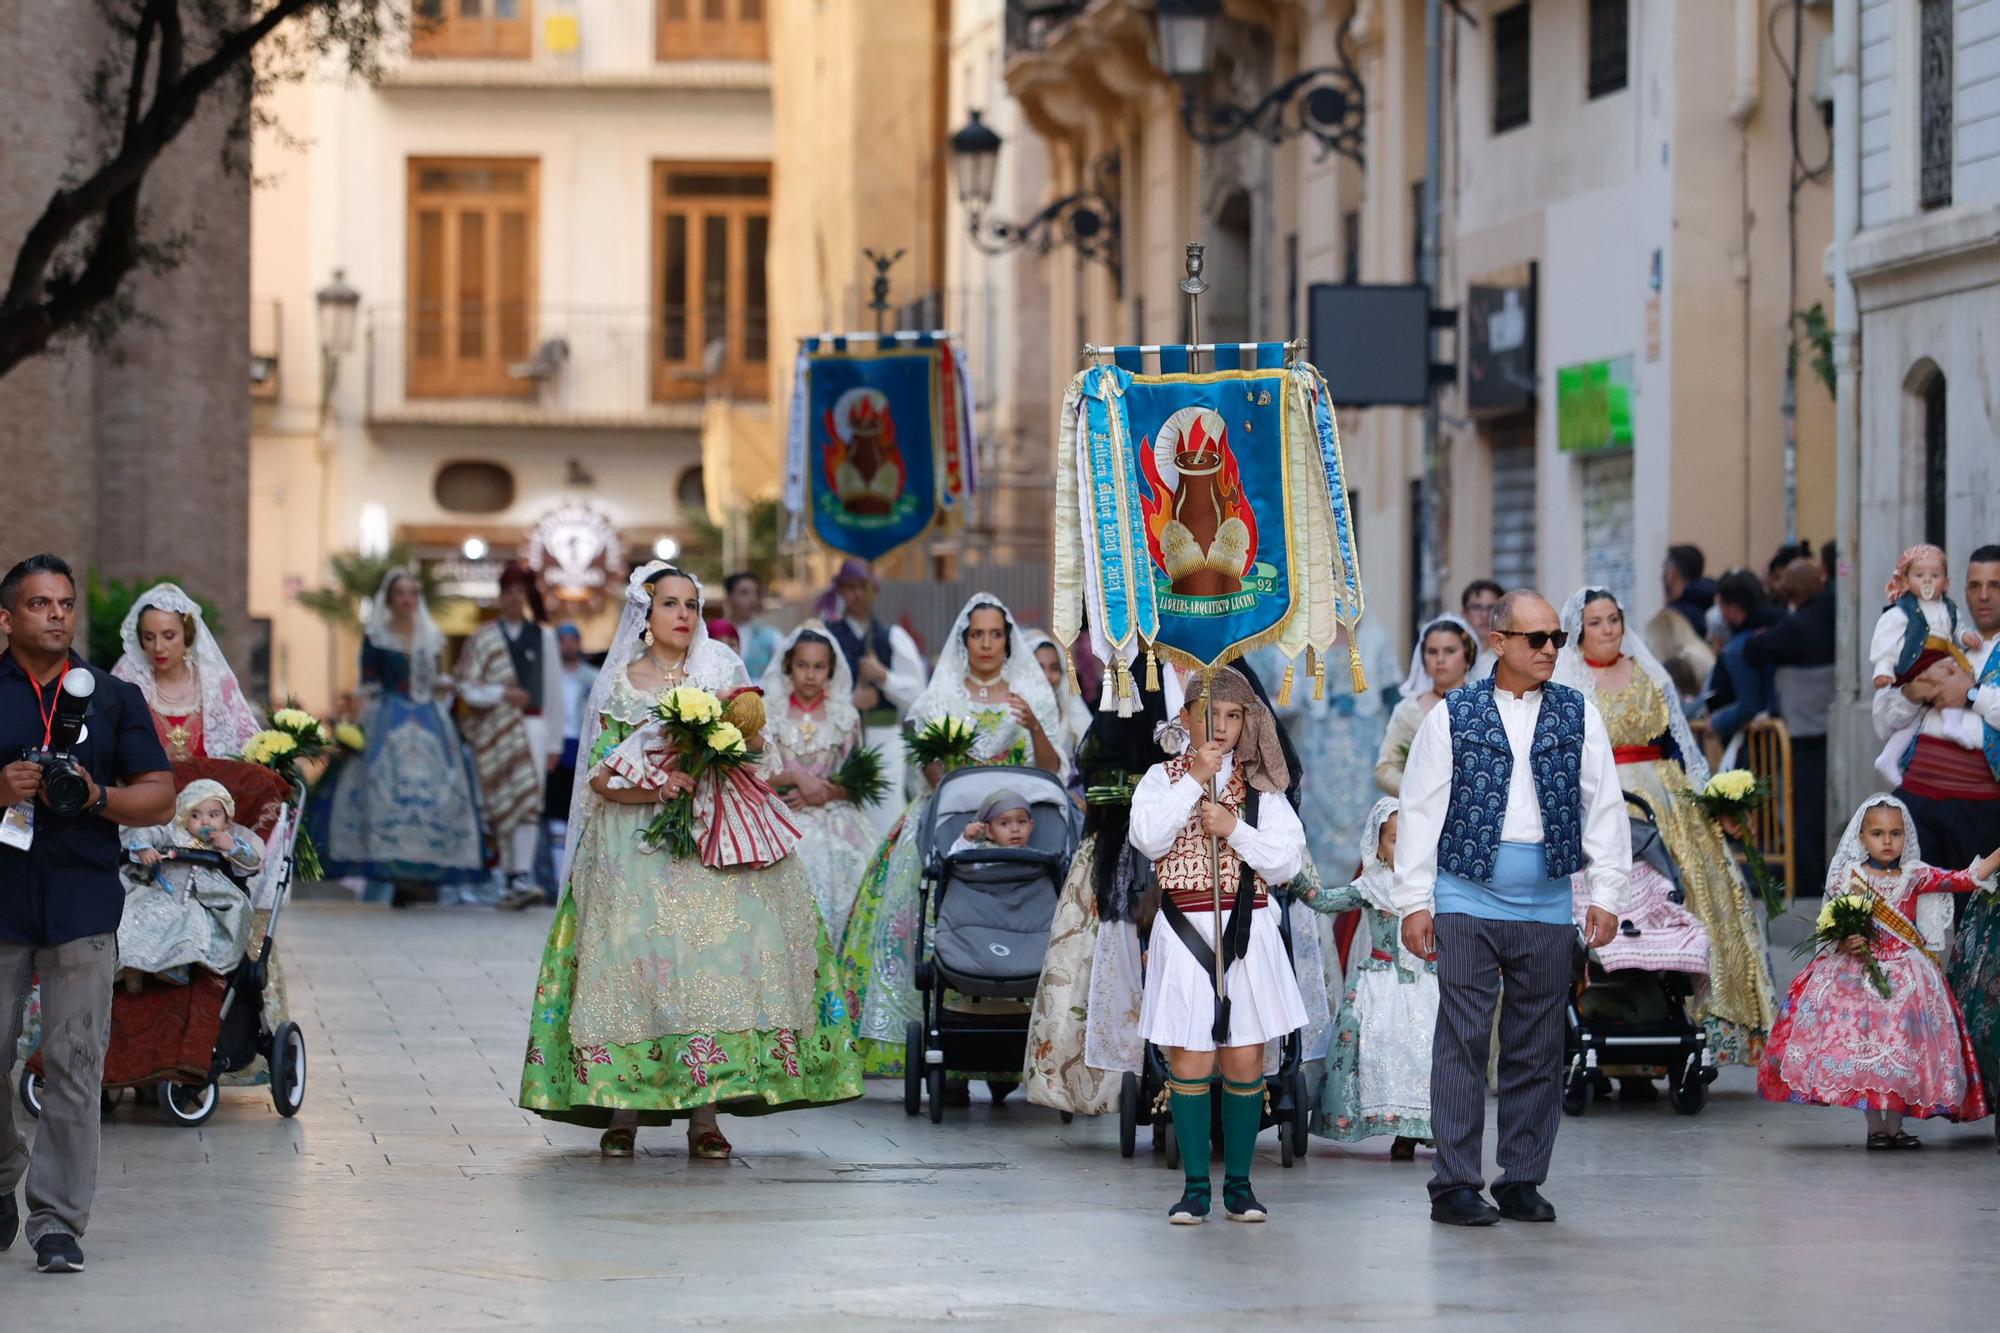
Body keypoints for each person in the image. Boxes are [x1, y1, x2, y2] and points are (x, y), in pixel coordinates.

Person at [517, 563, 861, 1157]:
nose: (683, 615)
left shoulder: (720, 669)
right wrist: (658, 787)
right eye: (671, 604)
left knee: (715, 968)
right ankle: (622, 1107)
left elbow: (758, 747)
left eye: (692, 605)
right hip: (634, 846)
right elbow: (599, 777)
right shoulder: (622, 684)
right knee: (634, 968)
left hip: (712, 839)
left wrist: (719, 755)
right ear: (644, 616)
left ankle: (706, 1116)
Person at [1393, 589, 1630, 1227]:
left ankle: (1521, 1178)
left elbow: (1603, 805)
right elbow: (1419, 810)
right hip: (1466, 894)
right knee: (1464, 1040)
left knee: (1536, 1044)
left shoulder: (1578, 713)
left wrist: (1607, 892)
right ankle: (1454, 1184)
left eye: (1557, 636)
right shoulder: (1453, 715)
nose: (1553, 648)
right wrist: (1415, 902)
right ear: (1500, 644)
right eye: (1538, 639)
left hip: (1548, 903)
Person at [0, 553, 176, 1274]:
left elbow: (160, 794)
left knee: (75, 1063)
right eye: (41, 604)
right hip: (1, 899)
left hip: (82, 902)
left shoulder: (112, 697)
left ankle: (58, 1219)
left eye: (66, 603)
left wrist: (96, 796)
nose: (58, 615)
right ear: (7, 618)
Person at [839, 592, 1064, 1080]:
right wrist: (950, 783)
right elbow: (929, 768)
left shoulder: (1030, 696)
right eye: (977, 635)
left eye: (996, 634)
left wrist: (1035, 728)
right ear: (964, 641)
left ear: (1008, 641)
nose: (987, 644)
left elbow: (1050, 772)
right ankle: (946, 1047)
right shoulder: (941, 698)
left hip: (1014, 837)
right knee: (927, 910)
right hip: (951, 826)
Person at [1555, 586, 1777, 1064]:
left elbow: (1681, 743)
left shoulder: (1648, 671)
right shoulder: (1567, 683)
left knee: (1696, 898)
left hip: (1668, 800)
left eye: (1613, 619)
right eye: (1595, 622)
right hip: (1602, 799)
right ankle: (1611, 1021)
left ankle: (1696, 1028)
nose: (1607, 629)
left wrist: (1712, 799)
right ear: (1578, 630)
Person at [1132, 666, 1308, 1225]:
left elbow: (1285, 863)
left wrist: (1234, 829)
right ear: (1185, 718)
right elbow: (1149, 837)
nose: (1224, 727)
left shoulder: (1262, 789)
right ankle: (1193, 1188)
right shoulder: (1160, 779)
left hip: (1246, 928)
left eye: (1235, 716)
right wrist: (1192, 781)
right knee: (1189, 1054)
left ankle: (1238, 1184)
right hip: (1184, 927)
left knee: (1244, 1057)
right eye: (1213, 714)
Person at [1758, 794, 1996, 1146]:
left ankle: (1895, 1125)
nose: (1888, 841)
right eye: (1878, 833)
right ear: (1862, 838)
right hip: (1858, 976)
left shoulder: (1915, 875)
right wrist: (1843, 942)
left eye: (1896, 834)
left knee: (1903, 1047)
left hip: (1909, 977)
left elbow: (1964, 878)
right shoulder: (1848, 878)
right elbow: (1830, 926)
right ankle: (1874, 1128)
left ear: (1906, 837)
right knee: (1866, 1049)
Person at [1876, 544, 2000, 1145]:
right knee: (1920, 944)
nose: (1982, 595)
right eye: (1974, 584)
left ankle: (1978, 1077)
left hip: (1988, 817)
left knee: (1982, 951)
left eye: (1994, 585)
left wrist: (1970, 694)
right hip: (1924, 811)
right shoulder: (1931, 633)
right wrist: (1919, 691)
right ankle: (1921, 1082)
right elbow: (1883, 715)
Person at [320, 569, 486, 908]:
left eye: (412, 593)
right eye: (401, 593)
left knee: (437, 793)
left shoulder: (431, 635)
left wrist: (446, 688)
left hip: (429, 719)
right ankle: (393, 873)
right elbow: (367, 684)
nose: (407, 599)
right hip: (388, 716)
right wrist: (355, 727)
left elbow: (436, 681)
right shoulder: (377, 635)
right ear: (390, 598)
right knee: (384, 791)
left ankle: (420, 877)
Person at [1305, 797, 1437, 1160]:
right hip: (1380, 982)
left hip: (1426, 983)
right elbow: (1324, 901)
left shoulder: (1433, 885)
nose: (1404, 846)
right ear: (1378, 848)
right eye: (1395, 839)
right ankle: (1376, 1120)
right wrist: (1295, 877)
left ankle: (1416, 1131)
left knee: (1428, 1048)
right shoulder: (1371, 885)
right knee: (1362, 1036)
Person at [760, 623, 879, 938]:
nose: (810, 674)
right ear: (788, 666)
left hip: (834, 815)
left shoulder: (845, 716)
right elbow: (755, 772)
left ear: (830, 670)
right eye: (802, 665)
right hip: (780, 811)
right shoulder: (769, 713)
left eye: (818, 667)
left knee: (847, 867)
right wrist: (795, 777)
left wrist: (823, 794)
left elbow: (859, 779)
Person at [457, 563, 564, 911]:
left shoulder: (543, 637)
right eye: (508, 591)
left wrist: (553, 744)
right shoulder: (483, 637)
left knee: (529, 803)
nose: (514, 598)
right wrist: (500, 694)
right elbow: (467, 686)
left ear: (527, 596)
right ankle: (503, 877)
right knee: (499, 801)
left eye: (520, 591)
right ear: (500, 596)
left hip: (533, 728)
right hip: (494, 733)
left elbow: (553, 693)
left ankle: (520, 875)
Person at [1745, 557, 1836, 895]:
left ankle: (1806, 882)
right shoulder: (1829, 619)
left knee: (1804, 814)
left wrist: (1763, 635)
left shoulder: (1799, 625)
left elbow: (1754, 650)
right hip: (1824, 728)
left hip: (1803, 732)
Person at [116, 779, 259, 982]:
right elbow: (148, 832)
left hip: (198, 902)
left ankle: (175, 968)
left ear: (226, 820)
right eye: (195, 815)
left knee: (190, 927)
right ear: (184, 816)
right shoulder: (174, 834)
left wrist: (233, 848)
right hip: (162, 894)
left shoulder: (225, 842)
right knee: (140, 918)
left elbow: (251, 863)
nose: (205, 822)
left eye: (213, 815)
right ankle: (133, 966)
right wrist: (144, 848)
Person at [827, 561, 928, 837]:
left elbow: (919, 695)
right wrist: (850, 701)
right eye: (850, 588)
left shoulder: (891, 637)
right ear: (841, 591)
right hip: (838, 740)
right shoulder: (827, 636)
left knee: (885, 811)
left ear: (874, 591)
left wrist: (884, 677)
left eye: (863, 587)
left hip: (884, 737)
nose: (857, 595)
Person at [110, 583, 262, 762]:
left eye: (169, 636)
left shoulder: (216, 685)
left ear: (187, 634)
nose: (158, 647)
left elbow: (247, 746)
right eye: (149, 638)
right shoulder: (128, 683)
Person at [1376, 616, 1478, 796]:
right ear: (1423, 658)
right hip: (1422, 811)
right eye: (1432, 651)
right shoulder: (1408, 710)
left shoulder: (1485, 707)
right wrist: (1419, 792)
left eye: (1450, 651)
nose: (1440, 659)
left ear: (1467, 656)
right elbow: (1385, 768)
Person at [543, 623, 598, 901]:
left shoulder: (593, 677)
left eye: (571, 640)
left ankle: (576, 880)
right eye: (562, 640)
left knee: (579, 814)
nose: (567, 645)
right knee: (555, 816)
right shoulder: (547, 677)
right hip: (554, 746)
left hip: (582, 747)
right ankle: (555, 880)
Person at [1707, 570, 1778, 748]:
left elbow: (1748, 705)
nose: (1721, 615)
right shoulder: (1779, 630)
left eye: (1721, 607)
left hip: (1753, 743)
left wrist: (1717, 721)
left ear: (1733, 608)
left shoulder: (1739, 649)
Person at [1027, 629, 1094, 763]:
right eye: (1039, 668)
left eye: (1054, 668)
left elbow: (1090, 751)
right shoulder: (1015, 709)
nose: (1047, 676)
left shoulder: (1069, 709)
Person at [724, 571, 783, 681]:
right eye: (744, 593)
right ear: (729, 597)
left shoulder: (772, 637)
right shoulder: (713, 634)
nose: (752, 599)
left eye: (756, 593)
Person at [951, 788, 1035, 853]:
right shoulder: (980, 854)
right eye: (1004, 823)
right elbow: (959, 869)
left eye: (1021, 822)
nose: (1015, 829)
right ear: (989, 831)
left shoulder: (1036, 858)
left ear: (1030, 826)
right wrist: (966, 840)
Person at [1663, 544, 1715, 636]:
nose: (1662, 573)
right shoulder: (1709, 603)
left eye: (1665, 566)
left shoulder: (1676, 615)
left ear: (1672, 572)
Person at [1461, 579, 1502, 680]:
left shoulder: (1511, 659)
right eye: (1476, 608)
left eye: (1491, 608)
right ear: (1464, 614)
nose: (1484, 615)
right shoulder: (1452, 656)